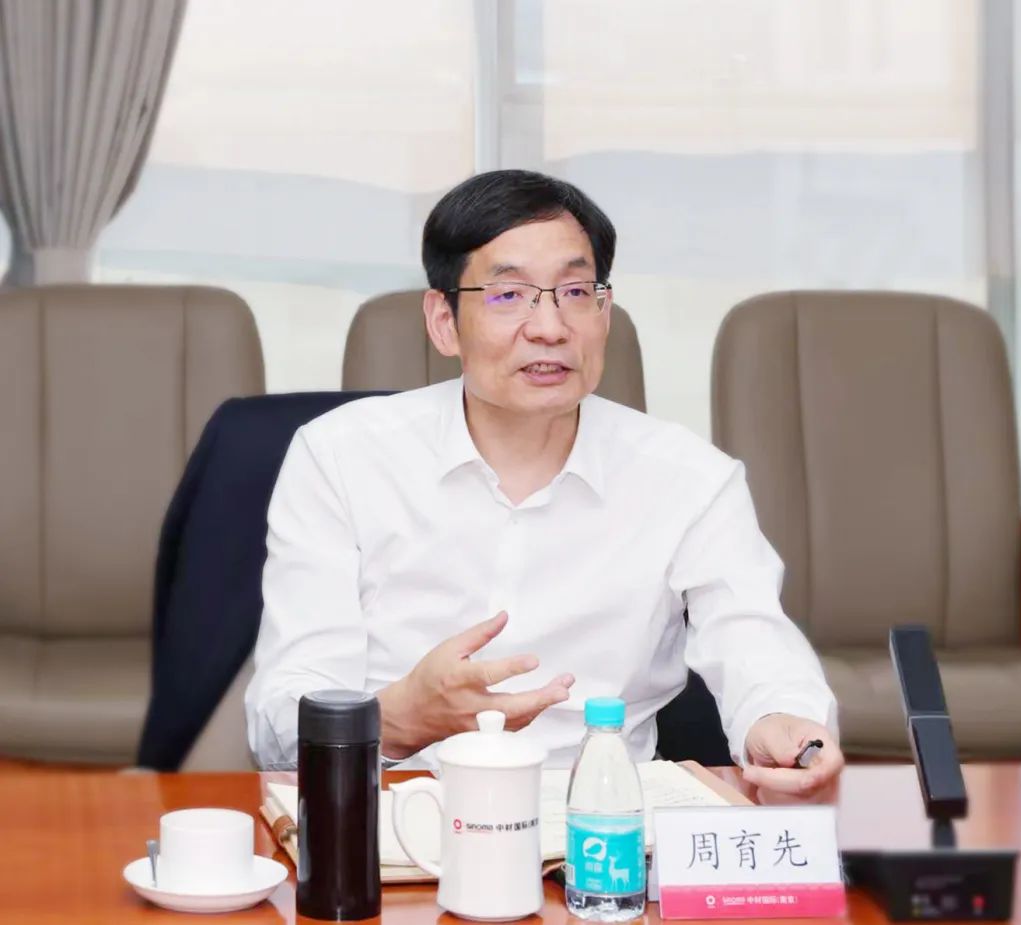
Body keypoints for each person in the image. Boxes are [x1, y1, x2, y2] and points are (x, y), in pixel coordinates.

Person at [245, 169, 842, 801]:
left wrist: (779, 721)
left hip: (603, 819)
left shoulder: (691, 479)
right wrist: (397, 719)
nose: (550, 328)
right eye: (509, 295)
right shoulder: (341, 457)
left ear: (604, 312)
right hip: (389, 811)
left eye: (576, 292)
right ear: (444, 321)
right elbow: (281, 720)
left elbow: (753, 639)